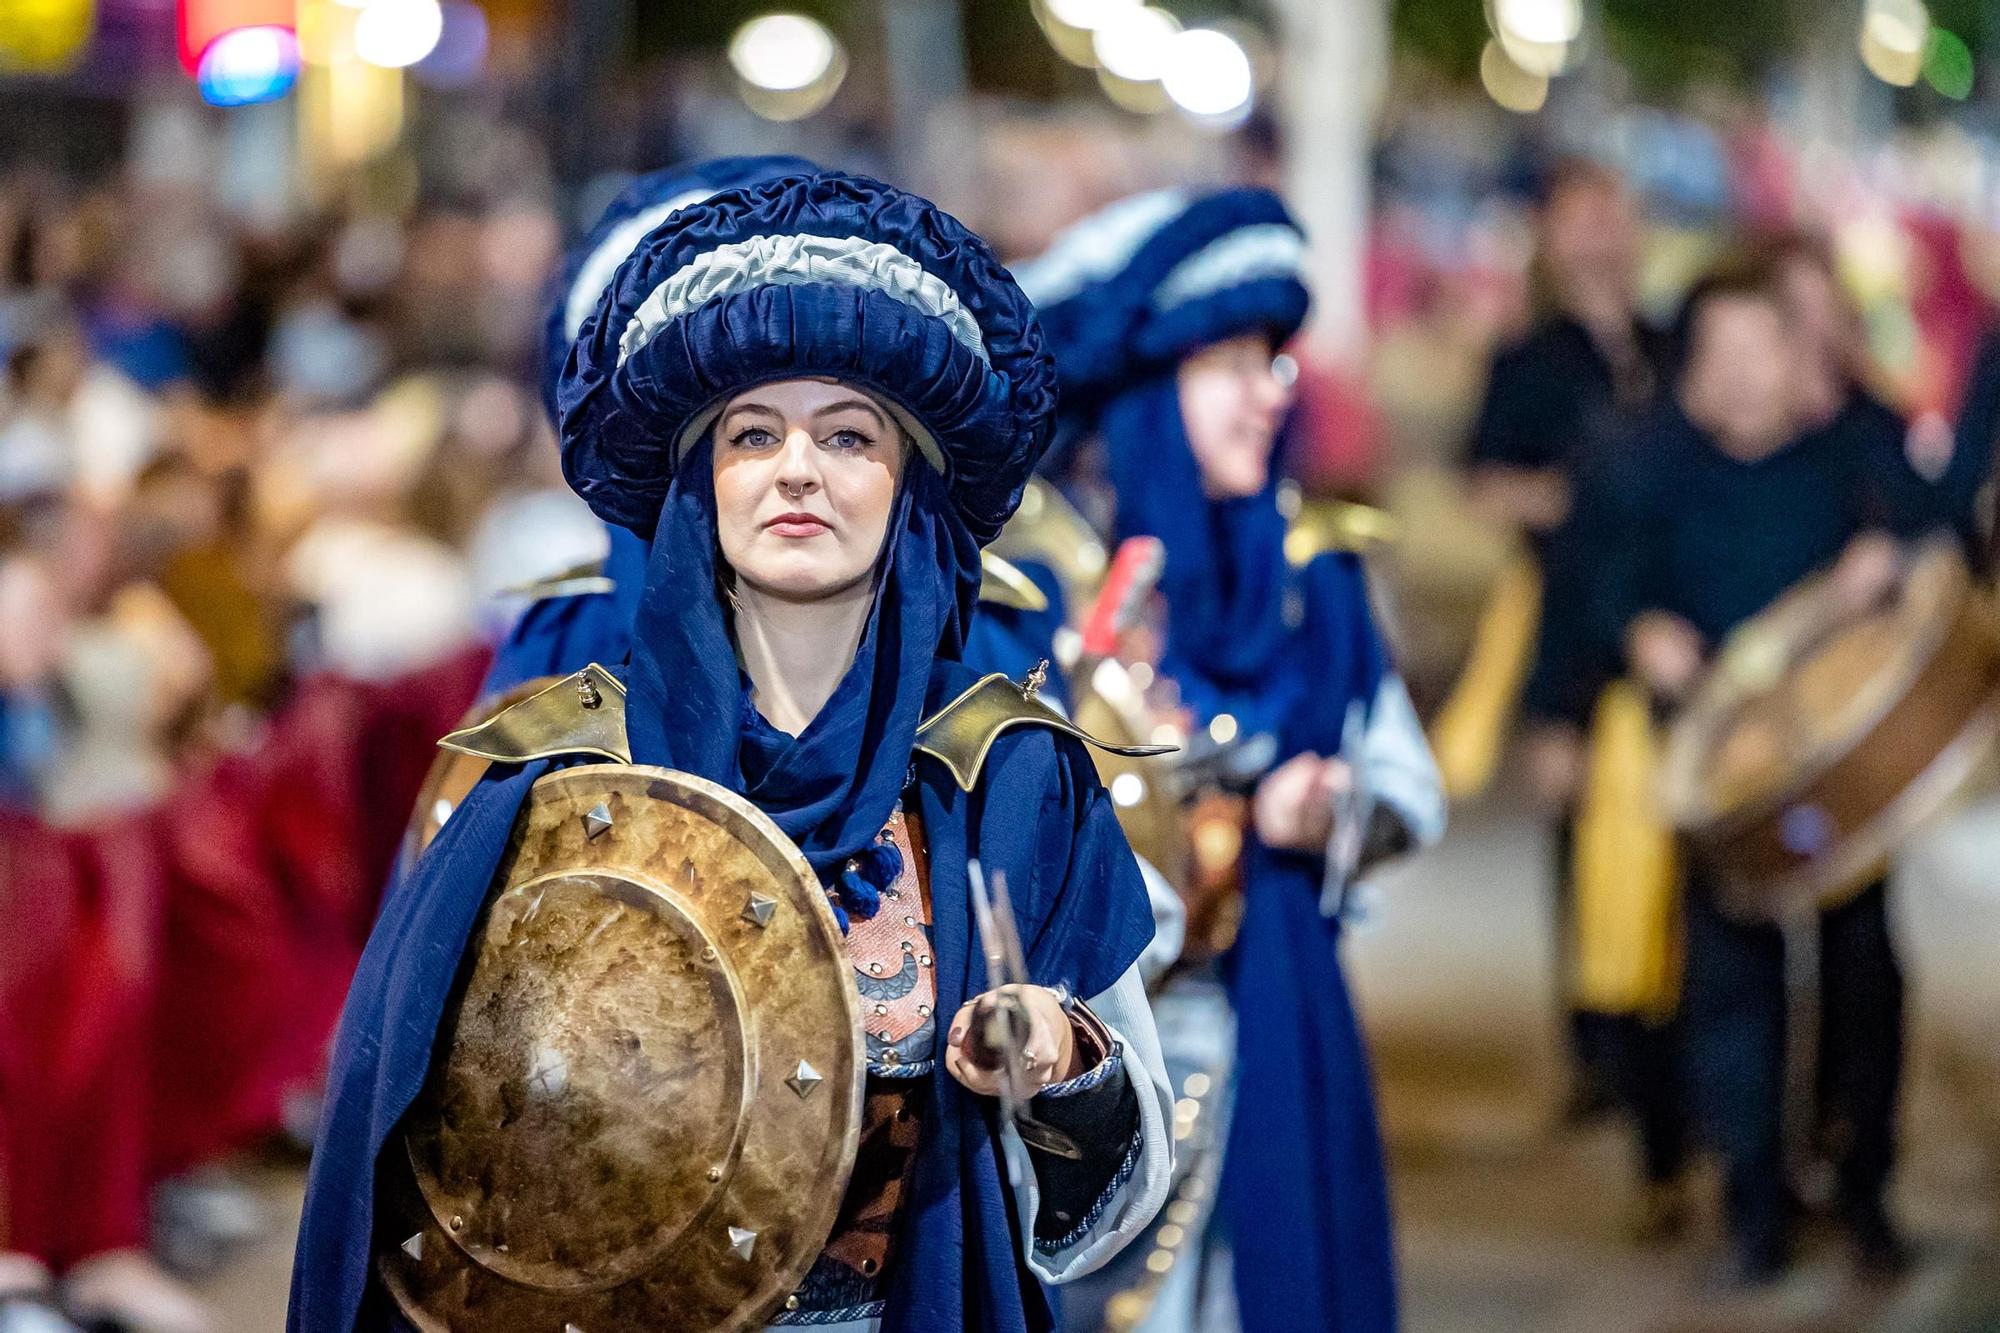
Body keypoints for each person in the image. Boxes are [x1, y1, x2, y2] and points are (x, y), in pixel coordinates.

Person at [288, 170, 1174, 1333]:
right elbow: (406, 1159)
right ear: (703, 479)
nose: (797, 469)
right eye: (754, 433)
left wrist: (1066, 1060)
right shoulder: (558, 770)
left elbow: (1114, 1195)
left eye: (848, 434)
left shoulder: (1008, 772)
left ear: (906, 478)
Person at [1017, 187, 1444, 1333]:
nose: (1271, 393)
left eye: (1275, 363)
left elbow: (1410, 783)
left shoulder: (1311, 575)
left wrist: (1328, 810)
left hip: (1269, 1026)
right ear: (1149, 390)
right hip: (1082, 1075)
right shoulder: (1028, 587)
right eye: (1233, 364)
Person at [1573, 259, 1980, 1282]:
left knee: (1861, 978)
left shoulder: (1851, 451)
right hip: (1723, 777)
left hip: (1841, 777)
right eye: (1726, 355)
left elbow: (1937, 530)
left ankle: (1863, 1193)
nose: (1748, 375)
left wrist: (1881, 568)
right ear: (1696, 368)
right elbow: (1604, 589)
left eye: (1767, 350)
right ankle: (1753, 1207)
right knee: (1727, 992)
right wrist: (1643, 632)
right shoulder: (1653, 463)